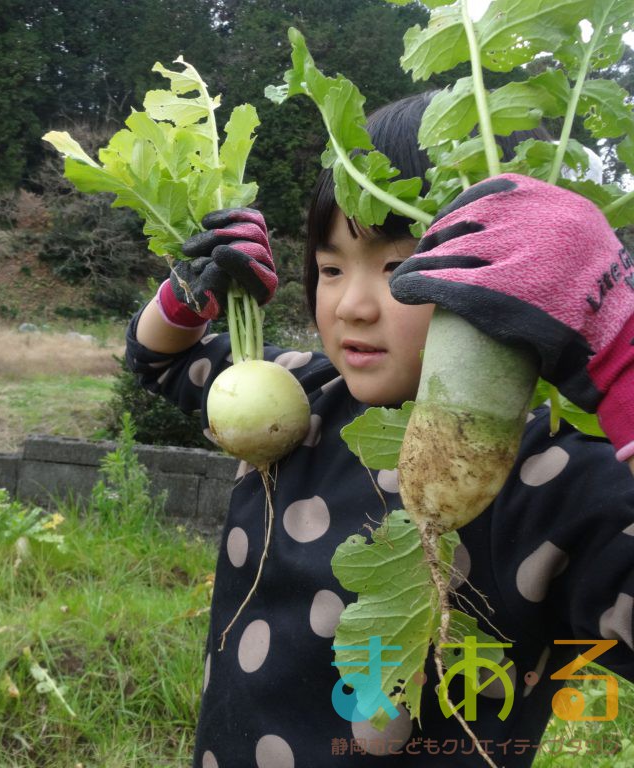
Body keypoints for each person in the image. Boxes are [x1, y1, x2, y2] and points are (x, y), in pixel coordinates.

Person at [124, 91, 634, 767]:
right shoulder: (300, 395)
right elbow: (159, 361)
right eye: (331, 269)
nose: (354, 306)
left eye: (402, 269)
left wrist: (621, 356)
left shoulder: (556, 472)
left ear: (514, 275)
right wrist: (194, 293)